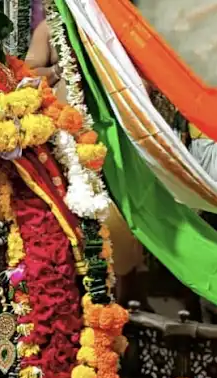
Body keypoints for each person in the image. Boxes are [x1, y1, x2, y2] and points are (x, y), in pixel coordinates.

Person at [26, 20, 150, 308]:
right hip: (65, 141)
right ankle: (74, 291)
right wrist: (60, 70)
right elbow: (30, 72)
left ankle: (127, 292)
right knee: (70, 215)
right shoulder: (51, 27)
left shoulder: (114, 23)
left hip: (114, 138)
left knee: (120, 211)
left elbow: (143, 79)